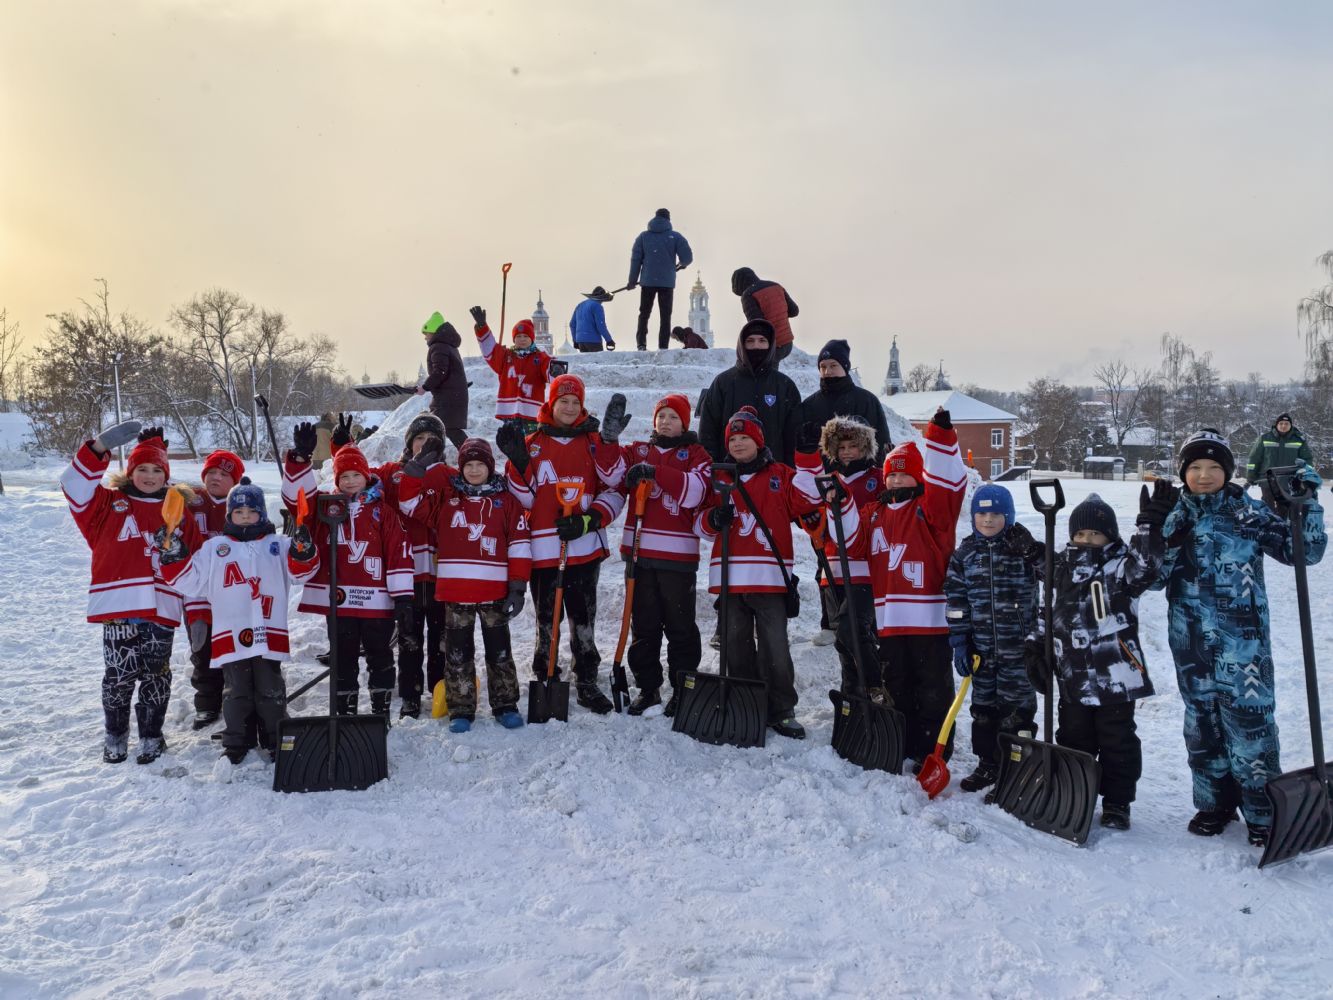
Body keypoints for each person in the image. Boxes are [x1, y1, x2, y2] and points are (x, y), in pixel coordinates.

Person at [1149, 428, 1327, 847]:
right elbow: (1152, 579)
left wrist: (1305, 505)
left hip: (1244, 645)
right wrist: (1152, 531)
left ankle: (1263, 812)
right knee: (1202, 727)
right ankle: (1215, 805)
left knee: (1251, 728)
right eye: (1195, 467)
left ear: (1228, 472)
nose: (1204, 475)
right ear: (1183, 471)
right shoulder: (1174, 515)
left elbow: (1304, 552)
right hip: (1191, 644)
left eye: (1214, 467)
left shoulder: (1248, 512)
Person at [61, 422, 202, 765]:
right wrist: (98, 448)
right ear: (130, 471)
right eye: (142, 469)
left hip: (161, 607)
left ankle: (152, 735)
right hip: (119, 605)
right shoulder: (107, 503)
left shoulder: (178, 510)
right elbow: (73, 485)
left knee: (157, 673)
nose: (150, 476)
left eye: (157, 470)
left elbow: (196, 561)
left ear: (166, 475)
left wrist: (178, 557)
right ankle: (116, 735)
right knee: (119, 675)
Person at [695, 406, 836, 740]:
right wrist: (713, 519)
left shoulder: (780, 475)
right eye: (733, 439)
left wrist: (807, 457)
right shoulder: (719, 477)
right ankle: (746, 705)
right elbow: (698, 523)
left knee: (775, 646)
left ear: (758, 441)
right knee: (735, 645)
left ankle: (781, 709)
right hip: (730, 578)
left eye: (745, 438)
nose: (738, 444)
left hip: (770, 578)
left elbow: (808, 498)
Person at [1022, 494, 1161, 831]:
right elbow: (1045, 612)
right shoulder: (1060, 569)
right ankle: (1076, 793)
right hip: (1073, 677)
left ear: (1110, 536)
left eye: (1095, 534)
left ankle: (1117, 802)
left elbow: (1147, 567)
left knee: (1118, 743)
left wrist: (1148, 526)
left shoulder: (1121, 568)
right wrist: (1035, 648)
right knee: (1073, 738)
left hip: (1116, 676)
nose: (1086, 540)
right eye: (1080, 534)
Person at [157, 478, 319, 764]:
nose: (245, 517)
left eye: (252, 512)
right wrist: (174, 556)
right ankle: (237, 741)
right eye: (238, 512)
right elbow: (191, 581)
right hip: (231, 631)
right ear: (229, 515)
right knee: (236, 691)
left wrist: (303, 551)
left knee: (270, 688)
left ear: (262, 514)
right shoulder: (215, 547)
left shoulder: (278, 545)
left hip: (268, 629)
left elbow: (301, 573)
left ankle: (275, 738)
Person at [496, 374, 630, 713]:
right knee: (546, 617)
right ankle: (546, 671)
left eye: (575, 402)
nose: (569, 407)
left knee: (583, 616)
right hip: (544, 549)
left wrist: (591, 518)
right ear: (551, 403)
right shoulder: (533, 443)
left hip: (583, 546)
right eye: (563, 401)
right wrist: (519, 463)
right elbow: (523, 499)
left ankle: (586, 677)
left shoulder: (594, 441)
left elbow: (615, 483)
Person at [840, 409, 967, 768]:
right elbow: (852, 544)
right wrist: (841, 504)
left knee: (933, 688)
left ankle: (934, 749)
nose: (896, 480)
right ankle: (905, 742)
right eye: (891, 475)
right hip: (891, 621)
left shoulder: (931, 510)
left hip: (929, 621)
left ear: (917, 476)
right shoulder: (874, 513)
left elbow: (948, 486)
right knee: (897, 685)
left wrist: (940, 438)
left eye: (903, 473)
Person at [399, 437, 531, 731]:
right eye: (468, 465)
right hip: (457, 593)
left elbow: (520, 545)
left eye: (479, 464)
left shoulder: (507, 502)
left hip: (495, 593)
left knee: (500, 651)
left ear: (490, 467)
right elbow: (409, 505)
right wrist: (414, 472)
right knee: (457, 654)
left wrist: (518, 586)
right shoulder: (447, 499)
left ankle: (505, 704)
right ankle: (460, 707)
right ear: (460, 468)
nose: (473, 470)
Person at [283, 433, 415, 724]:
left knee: (380, 655)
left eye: (357, 475)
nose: (351, 481)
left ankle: (380, 712)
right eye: (344, 476)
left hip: (376, 602)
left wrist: (403, 598)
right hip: (340, 602)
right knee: (343, 658)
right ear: (337, 479)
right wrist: (300, 462)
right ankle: (345, 712)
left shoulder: (383, 513)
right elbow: (296, 500)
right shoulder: (326, 508)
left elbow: (399, 553)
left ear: (366, 476)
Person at [340, 412, 452, 719]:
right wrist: (345, 448)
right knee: (408, 638)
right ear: (409, 442)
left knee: (441, 638)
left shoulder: (450, 475)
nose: (424, 444)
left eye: (431, 439)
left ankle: (440, 690)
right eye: (419, 438)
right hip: (405, 572)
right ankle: (410, 695)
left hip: (440, 571)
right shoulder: (393, 472)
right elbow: (357, 476)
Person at [619, 393, 712, 716]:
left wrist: (655, 472)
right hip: (639, 554)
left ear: (684, 423)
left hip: (678, 558)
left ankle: (683, 687)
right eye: (661, 416)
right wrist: (608, 440)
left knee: (680, 626)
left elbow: (695, 492)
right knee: (643, 626)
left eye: (673, 417)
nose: (666, 422)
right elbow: (611, 474)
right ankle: (648, 688)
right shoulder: (638, 450)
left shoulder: (696, 454)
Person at [943, 485, 1039, 794]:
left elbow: (1054, 574)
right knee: (983, 711)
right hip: (981, 651)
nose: (988, 520)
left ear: (1008, 516)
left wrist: (1034, 551)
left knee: (1017, 710)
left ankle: (1019, 768)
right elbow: (956, 603)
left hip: (1019, 650)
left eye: (996, 513)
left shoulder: (1022, 549)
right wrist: (960, 643)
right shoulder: (964, 555)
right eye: (982, 513)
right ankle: (988, 764)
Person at [804, 416, 889, 700]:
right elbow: (815, 522)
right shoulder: (829, 481)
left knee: (851, 631)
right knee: (845, 642)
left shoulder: (879, 478)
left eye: (853, 446)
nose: (847, 452)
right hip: (833, 569)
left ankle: (876, 685)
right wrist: (812, 522)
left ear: (865, 446)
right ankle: (852, 695)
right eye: (841, 447)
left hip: (865, 570)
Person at [181, 448, 246, 730]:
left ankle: (235, 696)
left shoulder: (243, 505)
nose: (216, 478)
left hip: (231, 590)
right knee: (202, 647)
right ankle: (207, 702)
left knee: (233, 645)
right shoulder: (189, 499)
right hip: (197, 591)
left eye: (223, 474)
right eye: (211, 472)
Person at [697, 319, 802, 466]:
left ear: (770, 345)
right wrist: (713, 468)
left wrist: (789, 471)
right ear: (742, 345)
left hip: (774, 473)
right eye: (750, 341)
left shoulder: (784, 385)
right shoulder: (723, 383)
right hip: (730, 472)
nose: (756, 346)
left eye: (762, 341)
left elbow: (794, 436)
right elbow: (708, 432)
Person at [471, 308, 565, 434]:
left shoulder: (540, 357)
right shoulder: (505, 356)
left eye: (526, 336)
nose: (522, 339)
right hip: (509, 413)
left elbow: (550, 368)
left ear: (532, 338)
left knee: (531, 443)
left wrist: (556, 370)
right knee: (511, 443)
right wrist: (482, 327)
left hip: (532, 414)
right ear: (514, 339)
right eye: (518, 336)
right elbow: (490, 349)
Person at [800, 340, 892, 465]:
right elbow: (800, 448)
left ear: (845, 367)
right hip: (821, 475)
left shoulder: (867, 401)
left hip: (861, 475)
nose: (827, 371)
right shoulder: (810, 404)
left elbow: (883, 445)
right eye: (823, 367)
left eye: (833, 365)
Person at [628, 208, 693, 351]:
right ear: (668, 219)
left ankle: (641, 343)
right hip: (667, 283)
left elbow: (636, 260)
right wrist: (681, 265)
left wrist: (632, 281)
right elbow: (687, 258)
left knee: (644, 314)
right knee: (665, 316)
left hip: (647, 282)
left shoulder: (643, 237)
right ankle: (663, 346)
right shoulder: (675, 237)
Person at [417, 311, 469, 451]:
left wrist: (425, 387)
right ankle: (469, 452)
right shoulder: (449, 345)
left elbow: (440, 371)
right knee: (443, 429)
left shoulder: (438, 346)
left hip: (447, 399)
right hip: (452, 396)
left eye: (426, 333)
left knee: (441, 428)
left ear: (433, 332)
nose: (425, 337)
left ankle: (471, 453)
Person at [1246, 411, 1314, 507]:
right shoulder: (1264, 438)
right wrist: (1251, 475)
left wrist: (1307, 476)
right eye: (1281, 423)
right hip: (1267, 481)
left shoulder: (1299, 440)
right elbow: (1254, 458)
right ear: (1276, 425)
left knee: (1285, 508)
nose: (1283, 426)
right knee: (1267, 507)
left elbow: (1307, 460)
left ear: (1291, 425)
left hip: (1289, 482)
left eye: (1286, 424)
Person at [730, 267, 799, 361]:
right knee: (772, 368)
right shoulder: (776, 286)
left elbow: (758, 324)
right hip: (787, 343)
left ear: (739, 284)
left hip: (771, 345)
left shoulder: (748, 294)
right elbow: (794, 311)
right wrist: (777, 312)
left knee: (762, 369)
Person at [570, 287, 616, 352]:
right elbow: (601, 325)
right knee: (596, 359)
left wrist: (575, 340)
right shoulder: (597, 306)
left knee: (586, 359)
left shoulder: (580, 305)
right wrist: (609, 340)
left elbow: (572, 324)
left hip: (581, 342)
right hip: (593, 341)